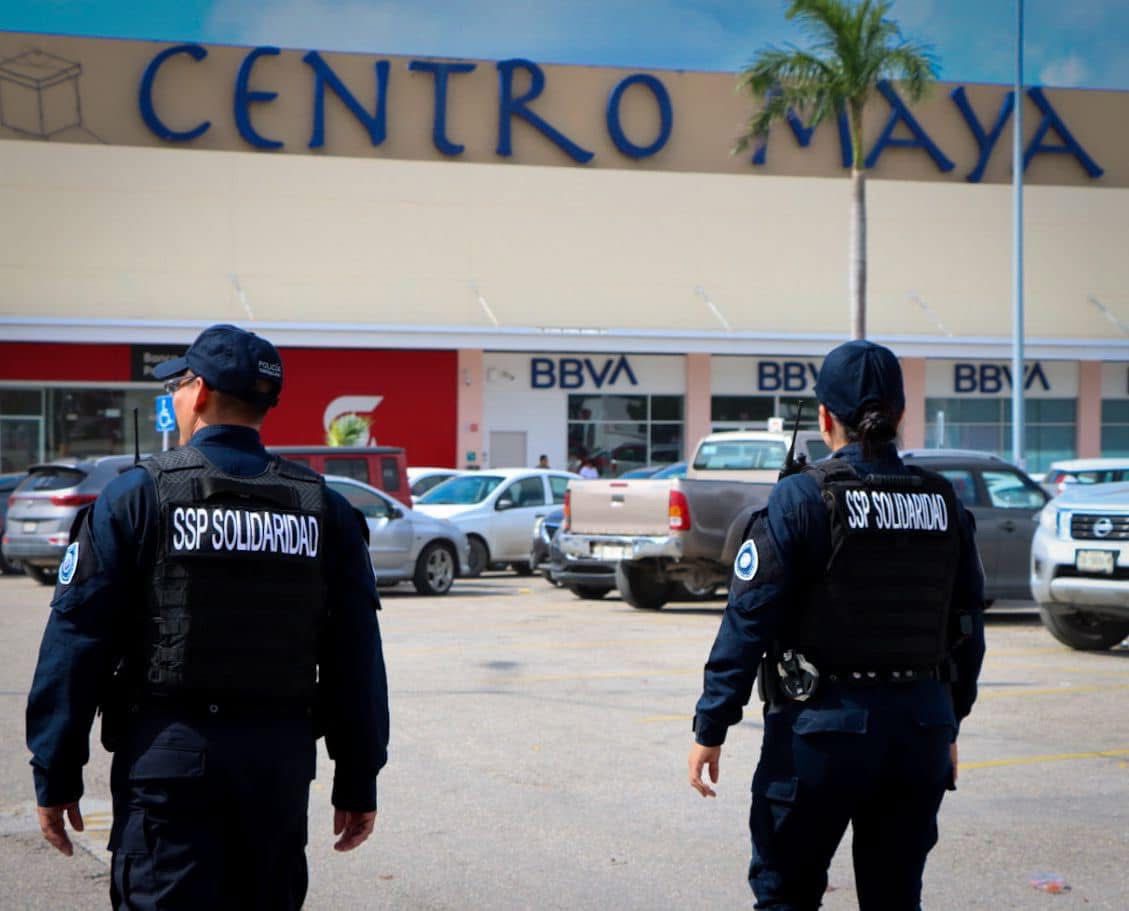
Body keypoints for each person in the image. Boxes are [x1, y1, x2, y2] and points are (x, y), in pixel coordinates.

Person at [26, 324, 390, 909]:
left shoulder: (137, 497)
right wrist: (358, 777)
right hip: (276, 771)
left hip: (168, 769)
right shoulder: (326, 508)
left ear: (199, 392)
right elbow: (356, 658)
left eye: (177, 385)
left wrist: (56, 770)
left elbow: (77, 642)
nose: (173, 396)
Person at [688, 340, 986, 910]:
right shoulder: (943, 500)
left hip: (819, 736)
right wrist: (949, 722)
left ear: (825, 417)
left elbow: (747, 622)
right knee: (895, 898)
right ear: (900, 413)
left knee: (786, 896)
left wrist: (711, 725)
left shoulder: (801, 498)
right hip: (919, 731)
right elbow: (968, 628)